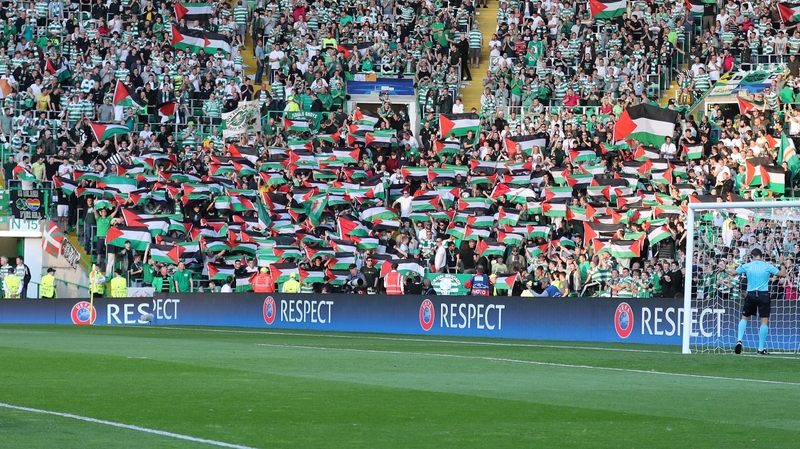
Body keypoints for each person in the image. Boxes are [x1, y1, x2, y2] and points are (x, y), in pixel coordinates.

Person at [727, 249, 786, 355]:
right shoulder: (766, 266)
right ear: (761, 256)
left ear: (752, 256)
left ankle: (739, 340)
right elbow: (783, 274)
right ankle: (760, 348)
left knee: (744, 318)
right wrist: (781, 262)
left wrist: (723, 270)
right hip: (764, 295)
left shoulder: (747, 265)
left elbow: (732, 273)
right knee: (764, 321)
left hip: (751, 294)